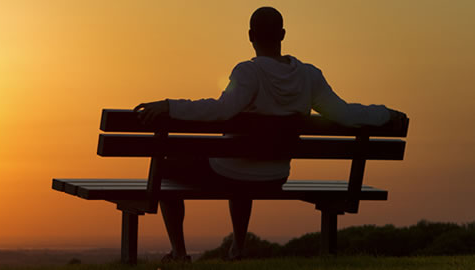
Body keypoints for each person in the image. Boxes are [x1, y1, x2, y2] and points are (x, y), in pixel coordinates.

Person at [133, 6, 407, 262]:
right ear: (283, 35)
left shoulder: (248, 72)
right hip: (276, 175)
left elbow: (220, 109)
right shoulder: (309, 76)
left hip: (231, 171)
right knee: (244, 164)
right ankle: (238, 247)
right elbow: (346, 114)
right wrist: (386, 114)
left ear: (250, 36)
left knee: (167, 170)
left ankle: (179, 254)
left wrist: (169, 106)